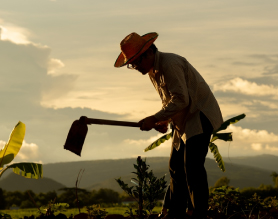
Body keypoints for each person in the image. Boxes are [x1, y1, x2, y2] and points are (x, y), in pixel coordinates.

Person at [114, 32, 223, 219]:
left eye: (136, 62)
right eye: (132, 64)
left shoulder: (170, 64)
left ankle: (199, 214)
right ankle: (176, 214)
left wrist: (154, 117)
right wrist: (163, 121)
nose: (135, 67)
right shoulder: (153, 71)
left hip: (199, 116)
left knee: (192, 167)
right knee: (175, 167)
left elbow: (181, 99)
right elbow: (170, 102)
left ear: (148, 53)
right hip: (183, 121)